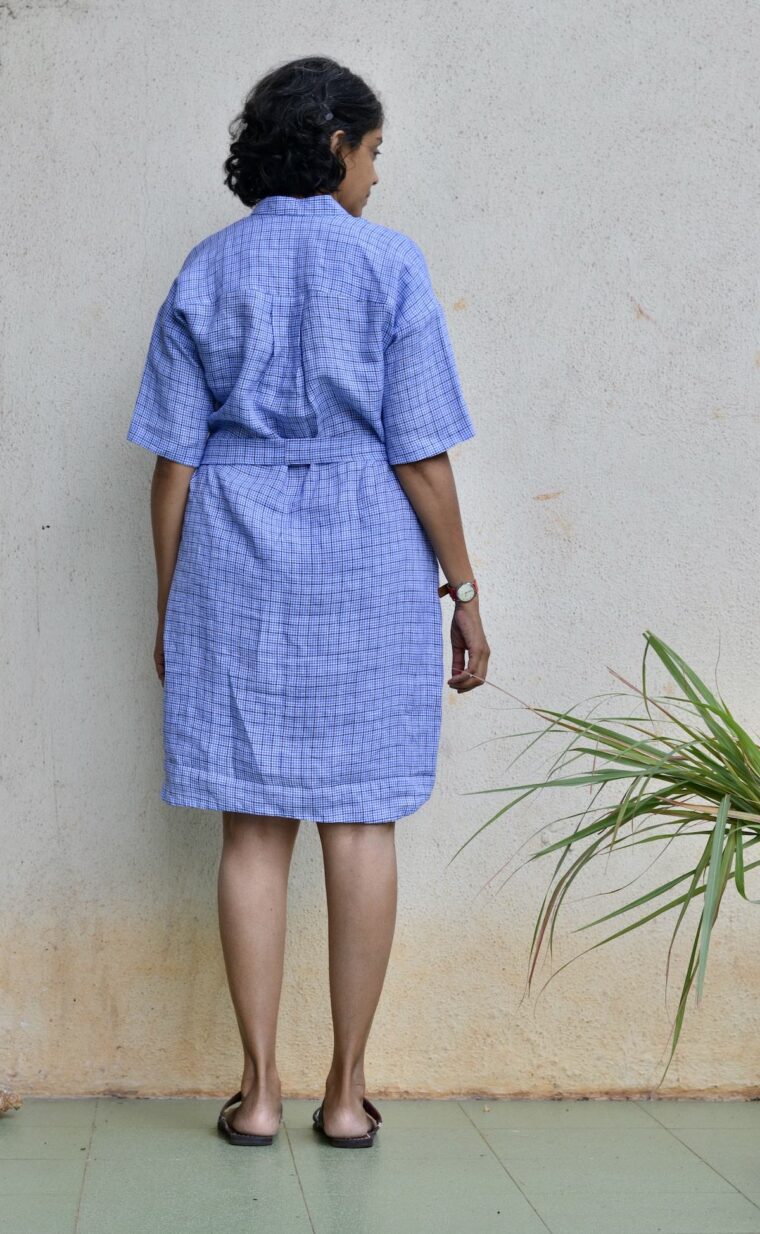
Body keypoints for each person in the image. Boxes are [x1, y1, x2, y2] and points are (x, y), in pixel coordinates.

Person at [126, 55, 490, 1149]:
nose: (378, 175)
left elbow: (172, 467)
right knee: (360, 818)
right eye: (373, 152)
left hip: (230, 558)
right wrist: (464, 589)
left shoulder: (205, 268)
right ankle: (345, 1092)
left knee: (252, 828)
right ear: (335, 144)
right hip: (369, 558)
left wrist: (168, 605)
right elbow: (420, 453)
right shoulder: (390, 265)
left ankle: (259, 1092)